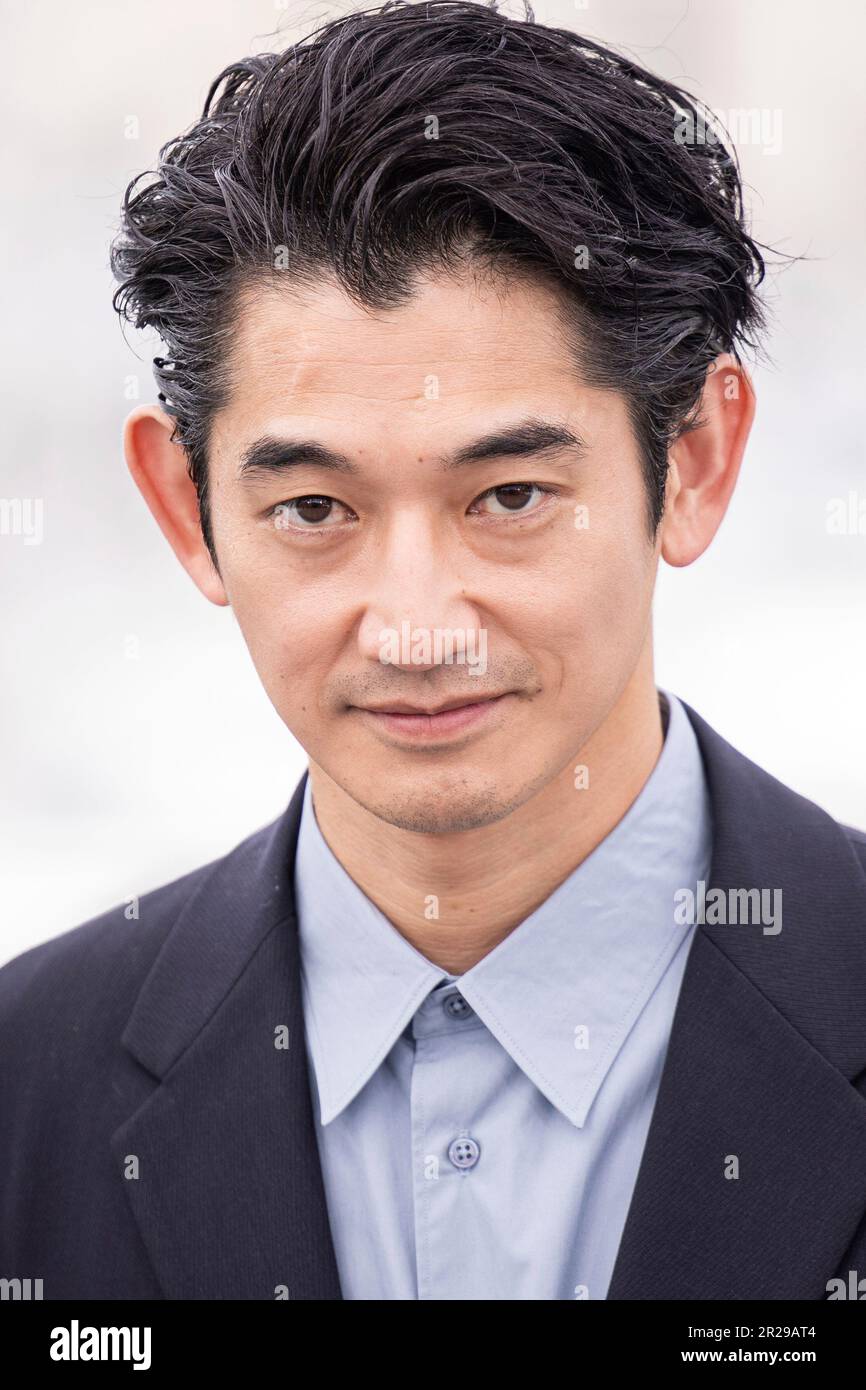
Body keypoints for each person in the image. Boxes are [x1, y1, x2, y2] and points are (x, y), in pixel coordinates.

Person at [3, 0, 865, 1302]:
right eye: (313, 509)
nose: (412, 622)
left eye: (507, 496)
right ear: (188, 510)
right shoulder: (23, 1089)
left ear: (690, 460)